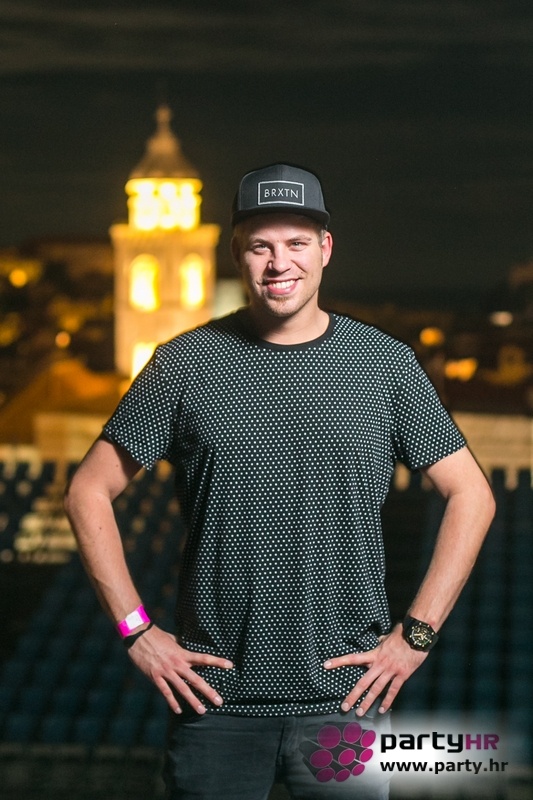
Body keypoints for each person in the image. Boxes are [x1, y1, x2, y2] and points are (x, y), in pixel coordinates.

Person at [64, 163, 495, 799]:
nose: (278, 263)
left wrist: (416, 636)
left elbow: (472, 495)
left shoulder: (383, 364)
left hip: (346, 702)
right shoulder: (184, 363)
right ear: (237, 253)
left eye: (296, 243)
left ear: (325, 249)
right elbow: (86, 490)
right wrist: (137, 631)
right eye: (260, 246)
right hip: (216, 705)